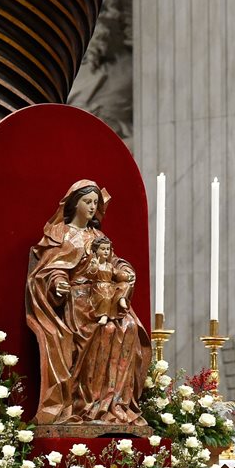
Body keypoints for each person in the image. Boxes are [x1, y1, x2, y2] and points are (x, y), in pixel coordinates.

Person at [26, 180, 151, 425]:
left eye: (95, 202)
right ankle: (86, 404)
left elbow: (114, 263)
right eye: (87, 201)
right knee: (104, 331)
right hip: (79, 302)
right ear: (75, 203)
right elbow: (51, 269)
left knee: (129, 328)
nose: (92, 207)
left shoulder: (98, 236)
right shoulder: (62, 235)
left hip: (104, 297)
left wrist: (126, 270)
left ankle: (113, 404)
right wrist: (58, 283)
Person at [82, 236, 131, 325]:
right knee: (106, 297)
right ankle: (104, 315)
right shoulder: (94, 263)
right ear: (96, 250)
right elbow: (89, 275)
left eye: (108, 249)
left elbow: (117, 274)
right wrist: (94, 267)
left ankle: (121, 298)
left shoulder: (109, 265)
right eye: (103, 249)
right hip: (99, 288)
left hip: (110, 287)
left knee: (125, 285)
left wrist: (126, 276)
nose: (106, 251)